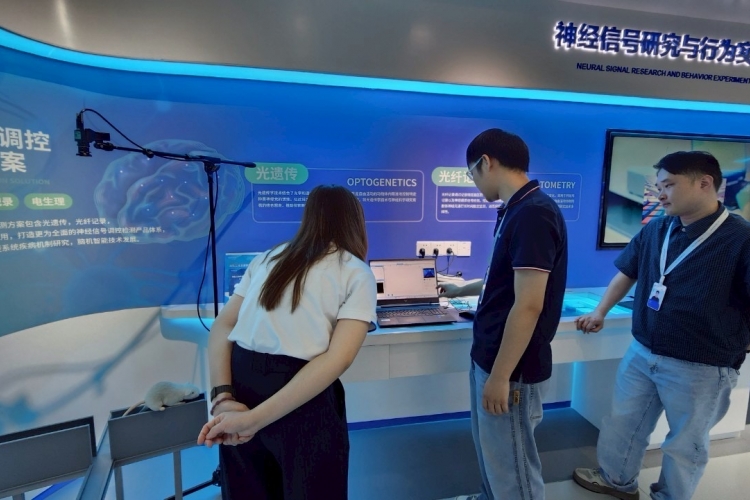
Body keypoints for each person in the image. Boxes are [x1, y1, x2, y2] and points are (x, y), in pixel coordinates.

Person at [572, 151, 750, 500]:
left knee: (685, 444)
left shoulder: (741, 238)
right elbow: (627, 272)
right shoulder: (658, 228)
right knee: (623, 423)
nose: (660, 194)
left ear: (704, 183)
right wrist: (600, 312)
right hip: (643, 350)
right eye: (658, 186)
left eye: (668, 185)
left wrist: (738, 344)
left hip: (701, 364)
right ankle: (616, 481)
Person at [196, 185, 377, 499]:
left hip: (242, 382)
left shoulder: (268, 258)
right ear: (355, 223)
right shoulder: (356, 272)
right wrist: (251, 420)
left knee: (246, 490)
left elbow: (222, 326)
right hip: (302, 395)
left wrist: (223, 398)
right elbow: (338, 358)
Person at [439, 128, 568, 500]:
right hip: (491, 355)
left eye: (471, 174)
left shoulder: (534, 213)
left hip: (511, 368)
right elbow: (506, 279)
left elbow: (528, 304)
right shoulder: (516, 209)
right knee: (493, 452)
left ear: (486, 162)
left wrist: (501, 376)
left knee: (513, 464)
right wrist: (459, 290)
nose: (474, 182)